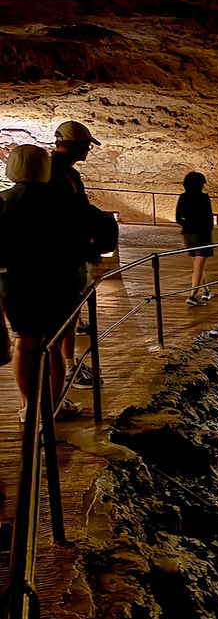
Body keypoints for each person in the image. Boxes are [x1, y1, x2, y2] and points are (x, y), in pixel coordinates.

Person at [0, 145, 89, 421]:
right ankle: (53, 406)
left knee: (24, 343)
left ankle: (29, 406)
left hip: (16, 283)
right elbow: (104, 231)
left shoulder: (2, 202)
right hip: (59, 281)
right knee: (53, 344)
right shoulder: (64, 201)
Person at [48, 120, 114, 391]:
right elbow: (72, 213)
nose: (89, 150)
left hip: (64, 254)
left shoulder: (60, 171)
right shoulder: (61, 173)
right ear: (75, 145)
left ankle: (69, 364)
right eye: (87, 145)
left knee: (66, 317)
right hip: (64, 257)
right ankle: (66, 372)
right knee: (63, 318)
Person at [175, 171, 215, 306]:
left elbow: (178, 218)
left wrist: (188, 224)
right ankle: (192, 296)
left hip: (188, 234)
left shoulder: (183, 197)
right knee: (199, 265)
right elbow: (209, 217)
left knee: (198, 264)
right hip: (202, 234)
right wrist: (207, 228)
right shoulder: (203, 198)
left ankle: (206, 290)